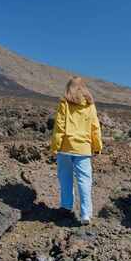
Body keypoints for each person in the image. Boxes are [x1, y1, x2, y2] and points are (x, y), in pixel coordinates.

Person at [50, 77, 102, 225]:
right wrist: (97, 146)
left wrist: (55, 146)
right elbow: (95, 127)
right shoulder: (90, 106)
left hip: (65, 148)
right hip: (84, 149)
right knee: (85, 181)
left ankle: (66, 208)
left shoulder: (64, 103)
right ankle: (86, 214)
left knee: (65, 179)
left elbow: (59, 127)